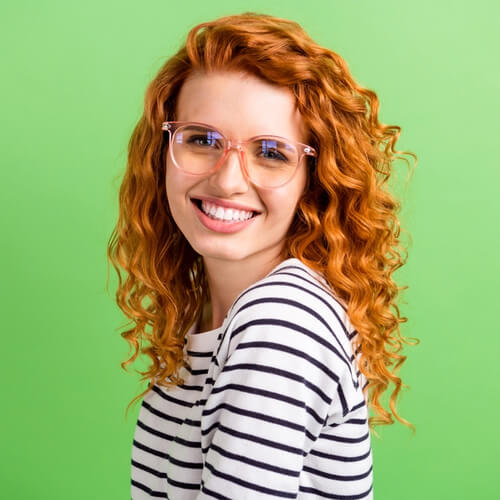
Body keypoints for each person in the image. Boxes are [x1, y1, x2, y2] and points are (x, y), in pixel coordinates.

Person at [107, 12, 416, 499]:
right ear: (162, 151)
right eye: (202, 140)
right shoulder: (207, 315)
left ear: (314, 181)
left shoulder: (280, 324)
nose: (228, 180)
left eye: (271, 152)